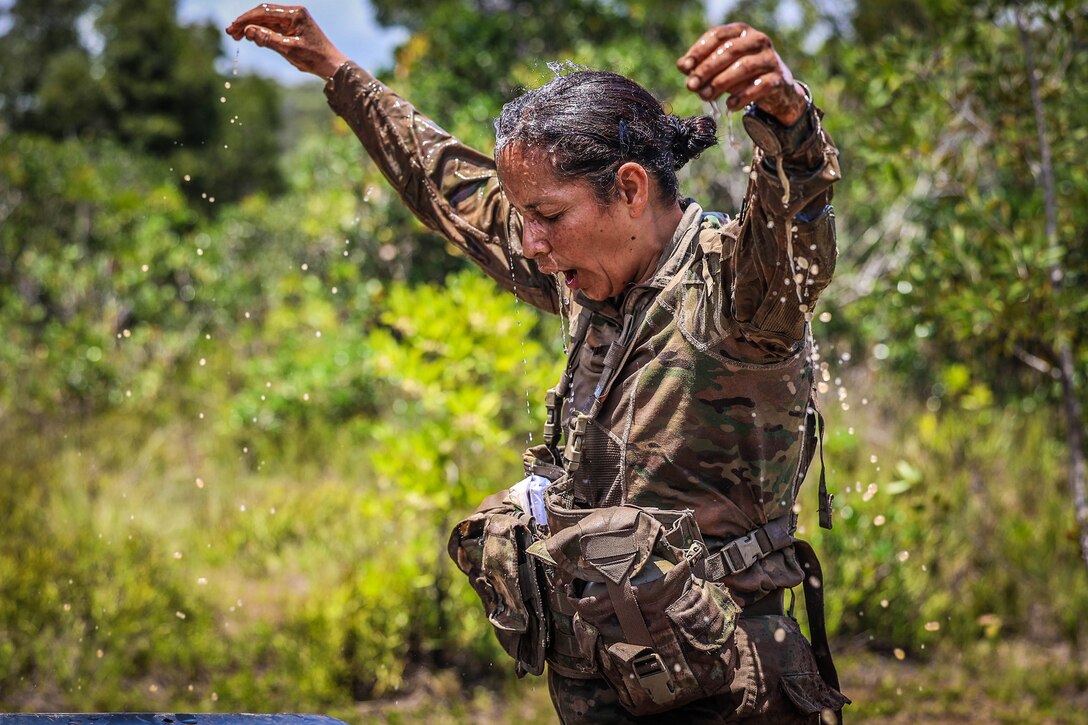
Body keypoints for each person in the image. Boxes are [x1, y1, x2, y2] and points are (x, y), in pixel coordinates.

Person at [229, 5, 848, 723]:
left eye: (547, 216)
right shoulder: (584, 270)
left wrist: (788, 117)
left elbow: (795, 214)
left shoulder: (739, 291)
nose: (528, 242)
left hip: (731, 692)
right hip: (614, 680)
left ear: (630, 189)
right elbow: (449, 188)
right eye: (523, 216)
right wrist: (337, 72)